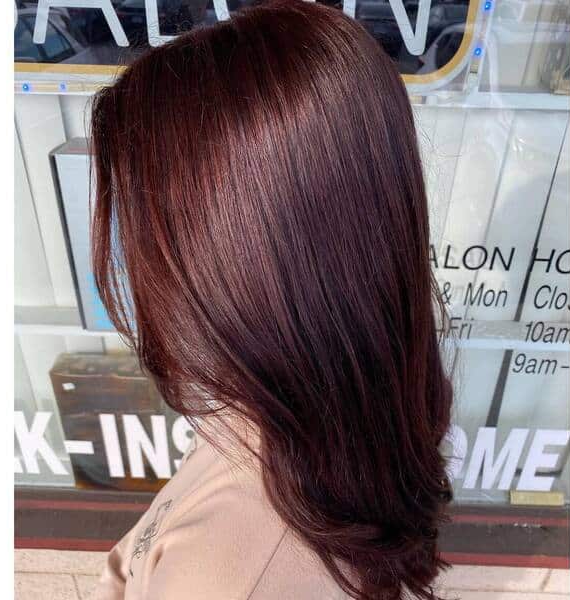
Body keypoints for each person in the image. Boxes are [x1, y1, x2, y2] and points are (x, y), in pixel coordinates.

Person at [89, 1, 453, 598]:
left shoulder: (224, 580)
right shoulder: (305, 417)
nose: (137, 262)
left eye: (147, 231)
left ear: (229, 264)